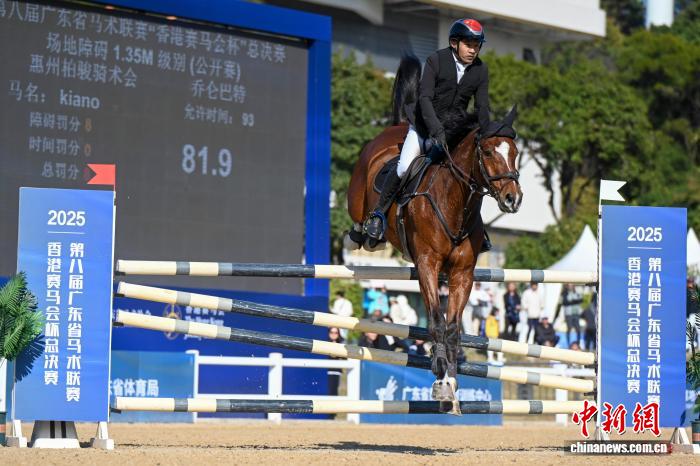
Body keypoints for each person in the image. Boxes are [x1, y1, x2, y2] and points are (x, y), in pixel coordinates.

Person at [362, 18, 493, 252]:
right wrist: (435, 130)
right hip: (423, 128)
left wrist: (487, 132)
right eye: (469, 44)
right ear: (454, 43)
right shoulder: (436, 60)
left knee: (468, 174)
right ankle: (378, 215)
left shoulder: (480, 70)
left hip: (452, 134)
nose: (473, 50)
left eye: (477, 45)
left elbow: (482, 106)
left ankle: (477, 229)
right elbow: (424, 99)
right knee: (404, 167)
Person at [326, 327, 344, 397]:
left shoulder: (341, 345)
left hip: (336, 371)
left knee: (334, 392)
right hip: (326, 371)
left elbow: (345, 358)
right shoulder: (324, 344)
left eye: (336, 333)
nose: (334, 334)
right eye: (332, 332)